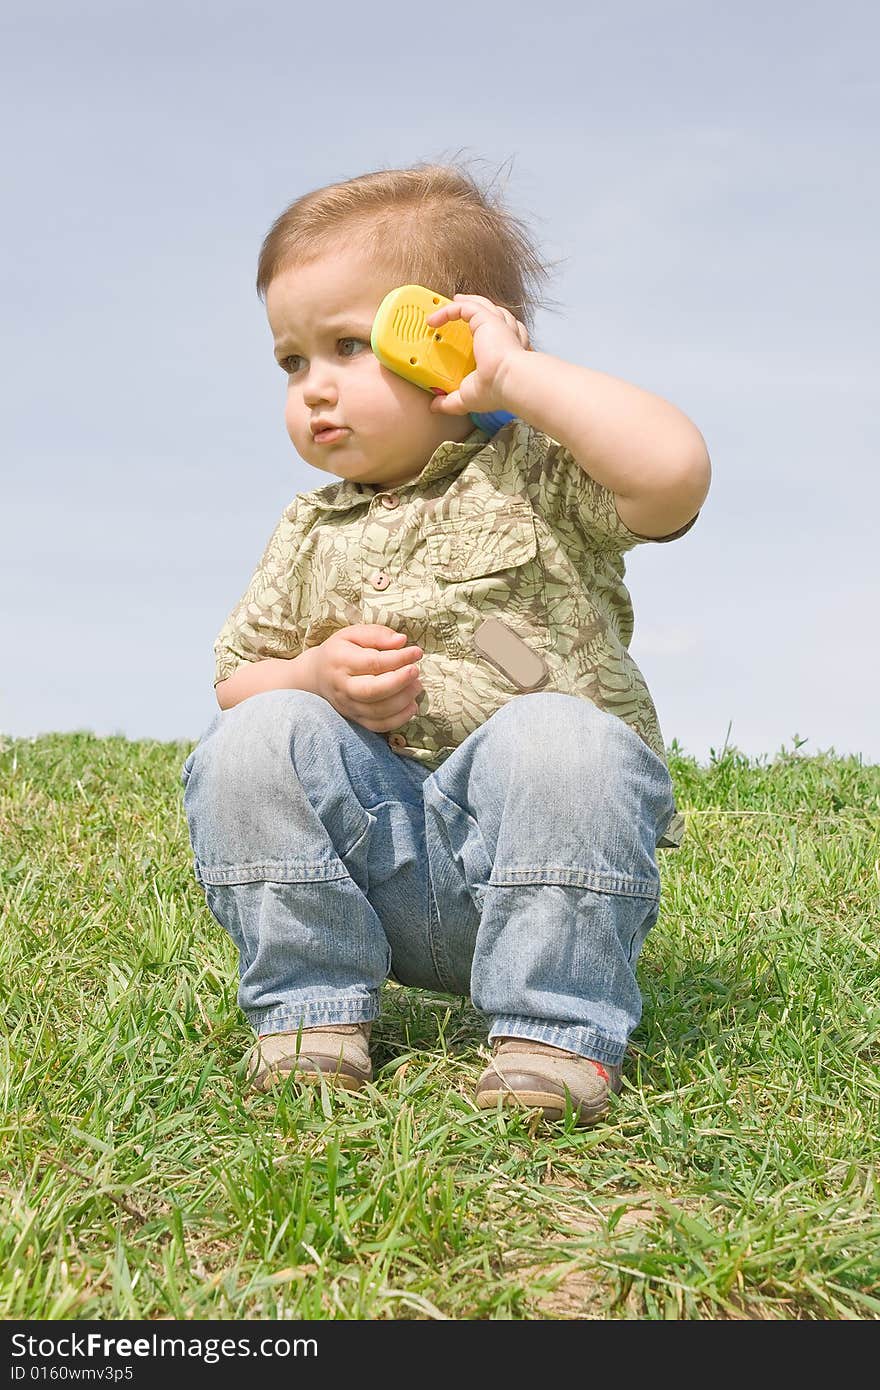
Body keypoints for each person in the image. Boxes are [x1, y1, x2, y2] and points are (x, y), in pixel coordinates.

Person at [181, 161, 711, 1127]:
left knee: (563, 733)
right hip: (363, 863)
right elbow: (234, 681)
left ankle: (551, 1031)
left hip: (534, 862)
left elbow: (673, 473)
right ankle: (310, 1013)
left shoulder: (539, 476)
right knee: (257, 734)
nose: (314, 390)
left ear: (448, 344)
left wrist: (517, 379)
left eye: (348, 345)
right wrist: (310, 680)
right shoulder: (309, 530)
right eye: (292, 361)